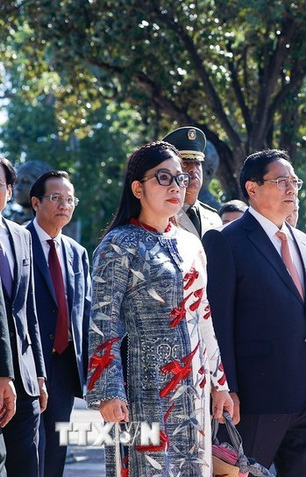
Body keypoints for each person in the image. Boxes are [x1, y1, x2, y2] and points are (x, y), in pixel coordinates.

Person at [86, 141, 233, 476]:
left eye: (180, 179)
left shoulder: (192, 243)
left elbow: (203, 316)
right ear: (137, 188)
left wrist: (219, 382)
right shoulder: (118, 245)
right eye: (163, 178)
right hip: (144, 389)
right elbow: (103, 323)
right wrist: (108, 392)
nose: (175, 187)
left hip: (194, 390)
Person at [203, 149, 306, 476]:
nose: (292, 189)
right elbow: (218, 324)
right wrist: (226, 386)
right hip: (255, 398)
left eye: (294, 181)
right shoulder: (226, 242)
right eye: (281, 181)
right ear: (252, 188)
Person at [27, 170, 91, 477]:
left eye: (69, 199)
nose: (64, 205)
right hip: (28, 367)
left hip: (65, 368)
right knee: (26, 450)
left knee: (55, 452)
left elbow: (86, 312)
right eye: (56, 198)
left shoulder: (77, 253)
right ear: (36, 202)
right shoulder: (16, 243)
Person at [0, 156, 48, 476]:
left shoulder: (21, 236)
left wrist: (40, 373)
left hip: (26, 378)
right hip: (2, 375)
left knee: (27, 466)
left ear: (9, 190)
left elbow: (27, 310)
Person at [161, 126, 222, 238]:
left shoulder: (214, 218)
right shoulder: (161, 216)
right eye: (185, 163)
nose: (193, 169)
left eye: (197, 163)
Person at [11, 160, 53, 226]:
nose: (18, 187)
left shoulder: (51, 224)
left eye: (25, 182)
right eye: (16, 182)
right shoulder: (11, 223)